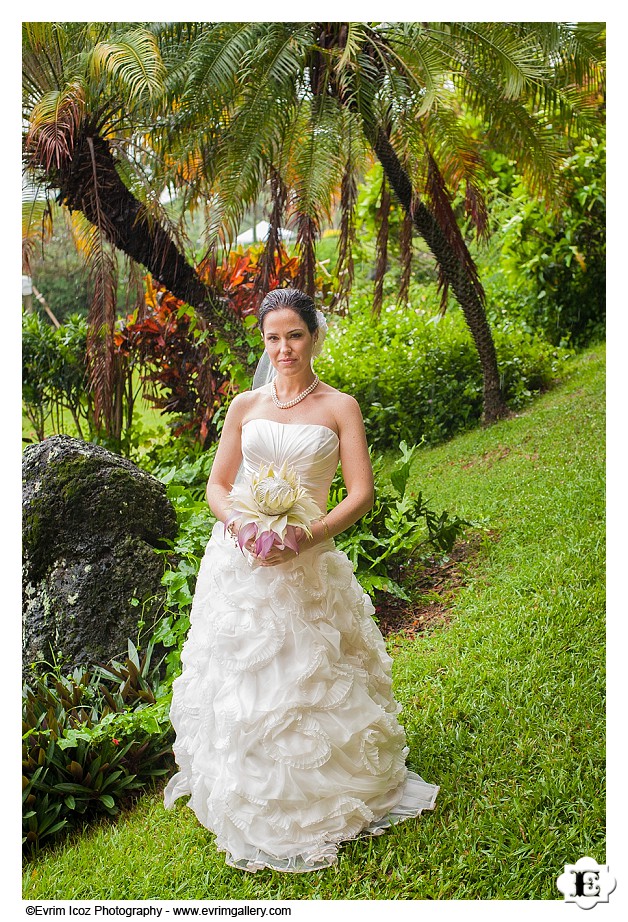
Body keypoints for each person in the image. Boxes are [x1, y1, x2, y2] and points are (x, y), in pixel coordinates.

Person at [164, 288, 438, 872]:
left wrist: (303, 537)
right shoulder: (244, 406)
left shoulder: (340, 407)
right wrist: (242, 526)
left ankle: (331, 787)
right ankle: (249, 788)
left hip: (306, 556)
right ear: (263, 342)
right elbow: (218, 486)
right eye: (273, 337)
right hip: (241, 561)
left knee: (310, 669)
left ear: (313, 336)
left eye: (294, 335)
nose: (284, 348)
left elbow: (361, 493)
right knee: (246, 676)